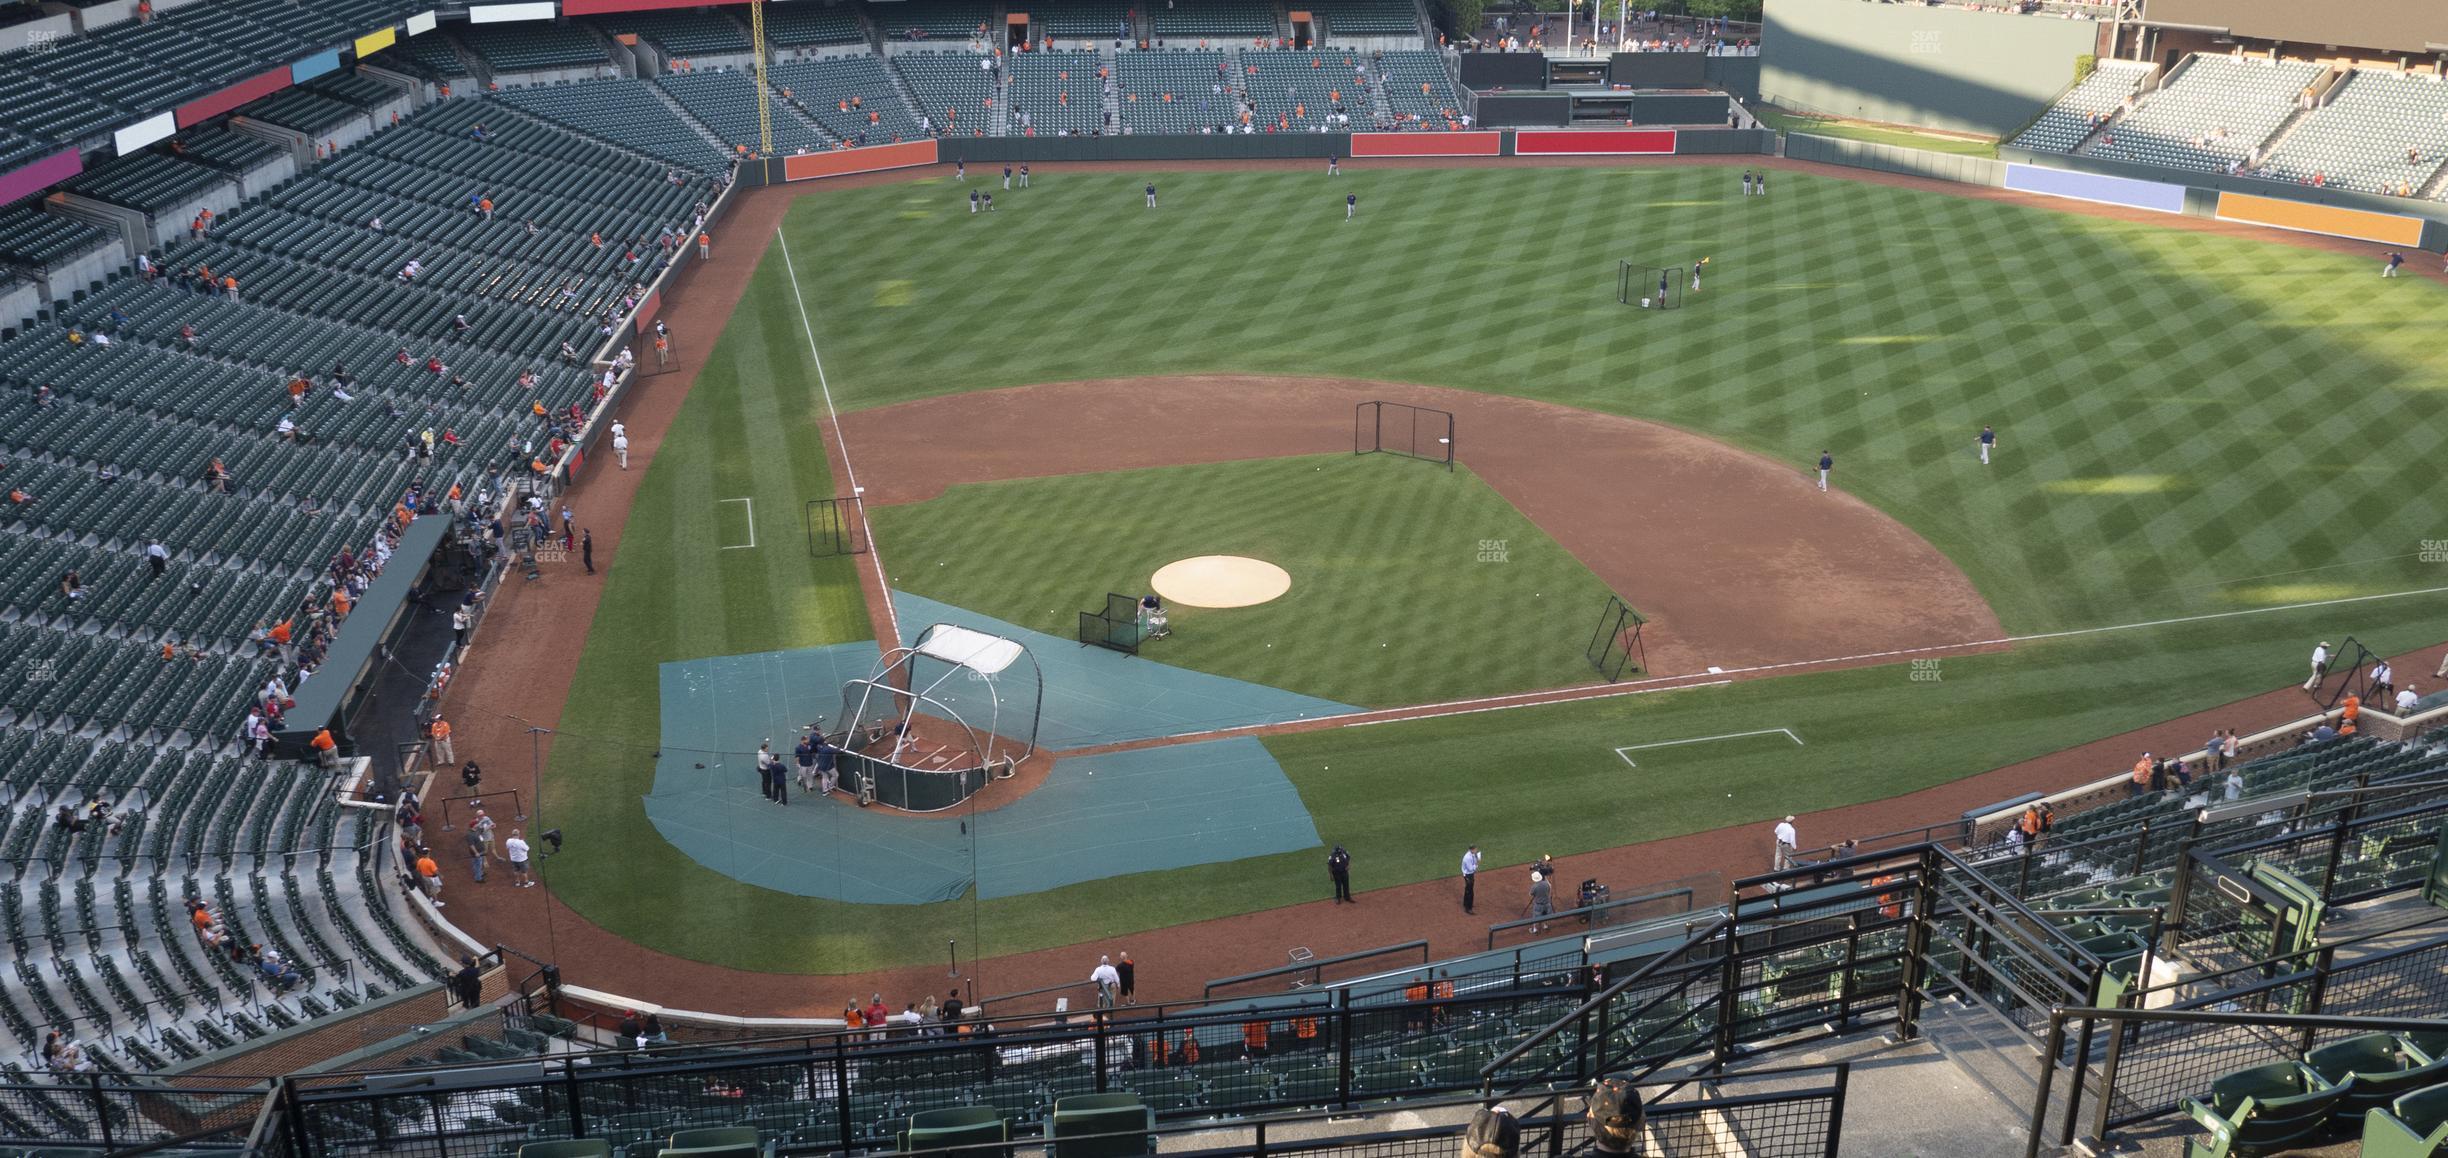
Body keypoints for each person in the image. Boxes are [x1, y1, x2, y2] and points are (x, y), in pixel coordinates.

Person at [1460, 845, 1480, 913]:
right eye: (1475, 849)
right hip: (1468, 875)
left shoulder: (1472, 854)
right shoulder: (1467, 857)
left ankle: (1465, 903)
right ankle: (1468, 908)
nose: (1476, 850)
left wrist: (1477, 858)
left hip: (1470, 874)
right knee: (1470, 892)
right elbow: (1471, 868)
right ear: (1472, 850)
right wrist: (1477, 864)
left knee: (1467, 890)